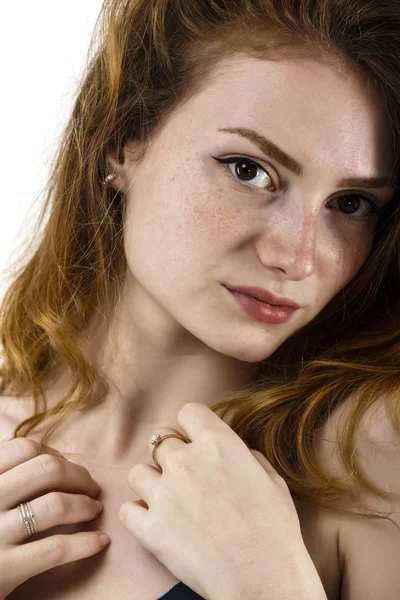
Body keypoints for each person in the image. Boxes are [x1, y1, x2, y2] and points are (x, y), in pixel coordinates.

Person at [0, 0, 400, 598]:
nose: (297, 256)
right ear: (123, 141)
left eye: (349, 205)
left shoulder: (369, 460)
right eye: (248, 169)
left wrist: (270, 587)